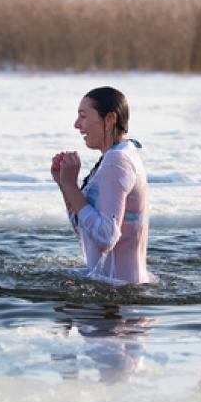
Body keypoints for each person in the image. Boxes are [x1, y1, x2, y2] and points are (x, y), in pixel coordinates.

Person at [51, 86, 150, 285]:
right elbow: (86, 231)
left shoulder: (117, 160)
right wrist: (65, 184)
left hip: (119, 295)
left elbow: (106, 237)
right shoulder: (116, 156)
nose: (77, 125)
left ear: (110, 119)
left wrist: (71, 187)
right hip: (115, 287)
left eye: (83, 116)